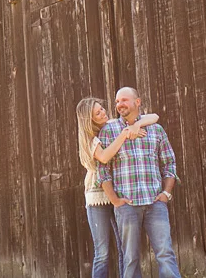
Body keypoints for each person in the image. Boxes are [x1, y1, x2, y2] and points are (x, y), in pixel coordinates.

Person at [97, 87, 181, 278]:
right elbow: (102, 170)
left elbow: (169, 163)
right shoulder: (109, 131)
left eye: (124, 100)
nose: (119, 105)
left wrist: (166, 194)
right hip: (127, 205)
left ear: (137, 102)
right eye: (117, 101)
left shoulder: (156, 130)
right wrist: (115, 200)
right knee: (130, 258)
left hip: (155, 203)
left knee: (165, 253)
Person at [76, 96, 158, 278]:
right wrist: (125, 133)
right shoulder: (90, 140)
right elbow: (104, 157)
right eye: (98, 113)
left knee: (125, 248)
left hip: (118, 191)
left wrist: (136, 125)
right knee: (102, 252)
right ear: (89, 120)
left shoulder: (113, 126)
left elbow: (154, 117)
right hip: (98, 198)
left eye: (102, 109)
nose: (103, 113)